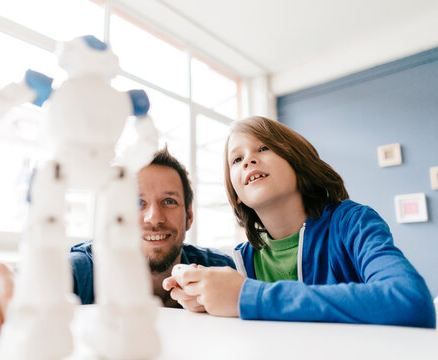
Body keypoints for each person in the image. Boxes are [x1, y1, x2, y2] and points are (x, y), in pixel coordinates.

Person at [0, 148, 235, 336]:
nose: (154, 218)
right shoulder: (83, 269)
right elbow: (18, 283)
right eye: (136, 202)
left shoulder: (218, 267)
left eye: (169, 202)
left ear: (189, 216)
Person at [163, 116, 436, 328]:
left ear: (297, 160)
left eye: (264, 147)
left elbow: (411, 302)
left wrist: (247, 296)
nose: (249, 160)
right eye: (236, 158)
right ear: (235, 192)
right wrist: (204, 300)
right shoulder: (242, 260)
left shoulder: (353, 223)